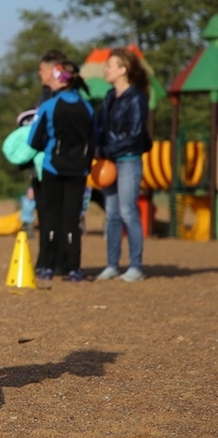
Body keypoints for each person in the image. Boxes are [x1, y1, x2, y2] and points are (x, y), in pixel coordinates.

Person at [28, 57, 95, 283]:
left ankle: (47, 266)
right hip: (79, 170)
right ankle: (74, 268)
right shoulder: (87, 107)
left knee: (51, 218)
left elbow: (33, 140)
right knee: (72, 220)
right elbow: (95, 140)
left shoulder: (49, 105)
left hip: (52, 168)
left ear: (60, 79)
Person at [95, 48, 151, 283]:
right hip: (109, 160)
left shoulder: (137, 98)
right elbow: (101, 127)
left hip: (128, 159)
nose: (105, 69)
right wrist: (99, 149)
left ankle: (136, 266)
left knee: (128, 211)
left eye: (110, 65)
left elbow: (135, 134)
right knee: (112, 214)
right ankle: (112, 264)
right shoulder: (110, 96)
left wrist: (109, 150)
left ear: (123, 70)